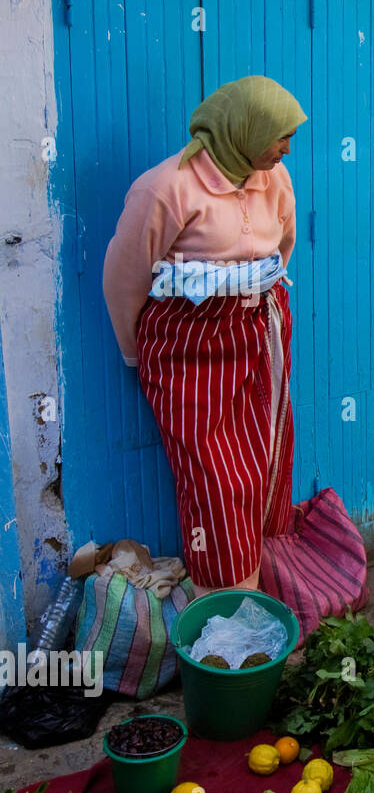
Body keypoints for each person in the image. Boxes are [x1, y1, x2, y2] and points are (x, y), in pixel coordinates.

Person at [102, 75, 307, 594]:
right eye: (278, 135)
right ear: (242, 128)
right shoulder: (166, 188)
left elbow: (283, 243)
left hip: (257, 333)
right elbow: (125, 277)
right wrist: (138, 356)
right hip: (189, 349)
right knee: (217, 478)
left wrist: (251, 296)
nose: (286, 148)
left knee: (262, 460)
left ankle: (256, 580)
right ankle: (227, 602)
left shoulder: (274, 178)